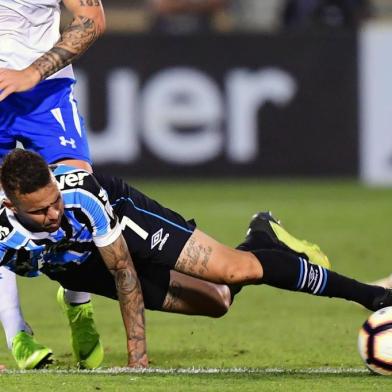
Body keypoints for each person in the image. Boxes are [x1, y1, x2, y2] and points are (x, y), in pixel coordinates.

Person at [1, 149, 392, 367]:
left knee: (235, 270)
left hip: (125, 220)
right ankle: (261, 236)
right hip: (82, 267)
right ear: (10, 204)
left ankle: (370, 296)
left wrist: (138, 356)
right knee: (219, 301)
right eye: (40, 211)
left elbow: (122, 268)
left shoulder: (80, 197)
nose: (54, 214)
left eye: (54, 201)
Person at [0, 0, 106, 369]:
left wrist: (31, 72)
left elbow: (91, 17)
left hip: (45, 91)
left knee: (78, 196)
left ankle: (78, 305)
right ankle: (17, 333)